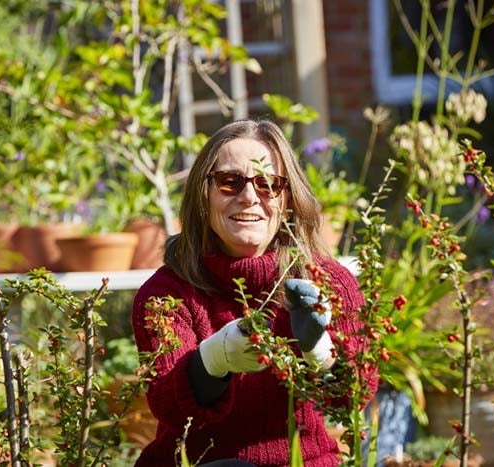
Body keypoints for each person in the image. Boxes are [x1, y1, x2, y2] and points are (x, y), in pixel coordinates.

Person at [131, 119, 378, 467]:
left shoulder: (328, 281)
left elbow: (353, 396)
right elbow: (170, 407)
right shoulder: (166, 293)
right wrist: (214, 359)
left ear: (288, 199)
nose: (249, 197)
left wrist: (319, 350)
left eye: (268, 184)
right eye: (229, 182)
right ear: (204, 194)